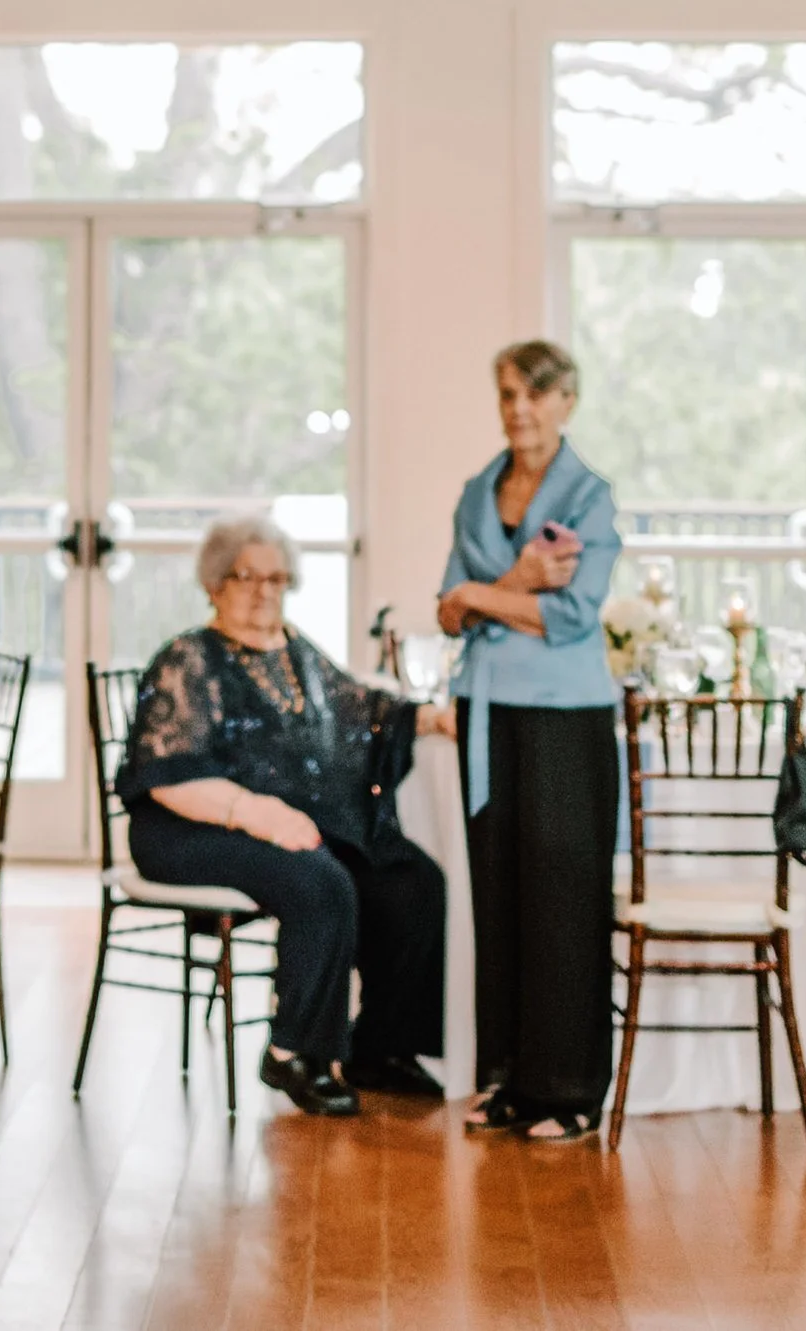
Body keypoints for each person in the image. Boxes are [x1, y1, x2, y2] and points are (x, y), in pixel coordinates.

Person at [124, 515, 456, 1117]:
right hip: (188, 828)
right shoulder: (188, 659)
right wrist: (253, 811)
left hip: (284, 823)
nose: (263, 590)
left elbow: (360, 704)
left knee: (412, 884)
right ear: (215, 584)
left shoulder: (295, 650)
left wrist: (429, 717)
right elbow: (168, 774)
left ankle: (378, 1047)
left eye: (276, 578)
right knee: (320, 882)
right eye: (247, 576)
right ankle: (294, 1053)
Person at [441, 339, 623, 1143]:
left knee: (562, 897)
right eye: (510, 392)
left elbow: (572, 615)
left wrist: (480, 594)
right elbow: (447, 612)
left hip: (565, 715)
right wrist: (508, 585)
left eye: (537, 394)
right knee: (501, 892)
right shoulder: (476, 491)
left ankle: (569, 1089)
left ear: (567, 402)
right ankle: (508, 1076)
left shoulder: (589, 495)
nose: (520, 408)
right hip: (486, 710)